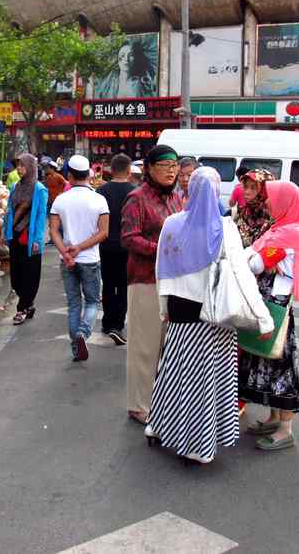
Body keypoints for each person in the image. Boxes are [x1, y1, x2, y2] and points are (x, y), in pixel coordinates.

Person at [146, 167, 239, 464]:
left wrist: (163, 308)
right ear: (216, 191)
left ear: (190, 190)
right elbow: (238, 273)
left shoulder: (172, 223)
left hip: (179, 308)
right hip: (215, 312)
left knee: (174, 370)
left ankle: (158, 424)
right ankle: (197, 444)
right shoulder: (225, 228)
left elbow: (162, 268)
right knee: (207, 378)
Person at [238, 180, 299, 451]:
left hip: (277, 306)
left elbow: (254, 262)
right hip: (267, 303)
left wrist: (254, 257)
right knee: (264, 359)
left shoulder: (287, 234)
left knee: (279, 364)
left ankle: (285, 429)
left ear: (285, 202)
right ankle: (274, 418)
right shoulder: (278, 229)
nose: (266, 201)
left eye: (271, 197)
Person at [121, 145, 183, 424]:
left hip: (172, 281)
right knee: (143, 346)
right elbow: (128, 237)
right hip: (145, 280)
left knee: (166, 346)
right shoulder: (137, 198)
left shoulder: (176, 199)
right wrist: (159, 248)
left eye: (175, 165)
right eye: (165, 165)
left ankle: (160, 400)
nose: (171, 171)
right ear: (148, 168)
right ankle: (139, 405)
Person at [49, 155, 110, 362]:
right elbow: (103, 233)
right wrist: (80, 248)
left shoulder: (60, 200)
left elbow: (53, 231)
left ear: (69, 176)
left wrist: (66, 252)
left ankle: (76, 348)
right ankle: (84, 333)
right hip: (90, 259)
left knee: (74, 304)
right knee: (92, 302)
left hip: (67, 261)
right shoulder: (99, 199)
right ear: (88, 176)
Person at [4, 154, 48, 325]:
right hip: (15, 236)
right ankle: (28, 305)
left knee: (30, 274)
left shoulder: (39, 189)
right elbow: (10, 209)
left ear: (31, 167)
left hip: (31, 239)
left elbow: (40, 216)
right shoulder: (15, 187)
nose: (19, 169)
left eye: (22, 166)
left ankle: (22, 308)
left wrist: (38, 239)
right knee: (16, 275)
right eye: (18, 166)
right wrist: (4, 232)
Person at [97, 154, 135, 346]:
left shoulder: (101, 191)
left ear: (111, 170)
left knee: (108, 284)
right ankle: (117, 325)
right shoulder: (135, 192)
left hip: (105, 244)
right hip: (128, 246)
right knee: (123, 286)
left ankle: (107, 321)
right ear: (129, 171)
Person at [235, 169, 276, 248]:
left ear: (265, 189)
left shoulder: (273, 216)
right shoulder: (242, 212)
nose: (247, 192)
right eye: (245, 187)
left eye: (253, 188)